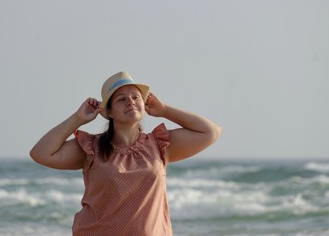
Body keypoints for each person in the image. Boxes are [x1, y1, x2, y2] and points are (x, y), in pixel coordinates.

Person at [30, 71, 222, 236]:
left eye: (135, 97)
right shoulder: (91, 147)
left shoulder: (159, 144)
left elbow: (211, 132)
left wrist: (165, 110)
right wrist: (77, 118)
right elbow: (41, 153)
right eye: (121, 99)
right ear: (110, 112)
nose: (130, 102)